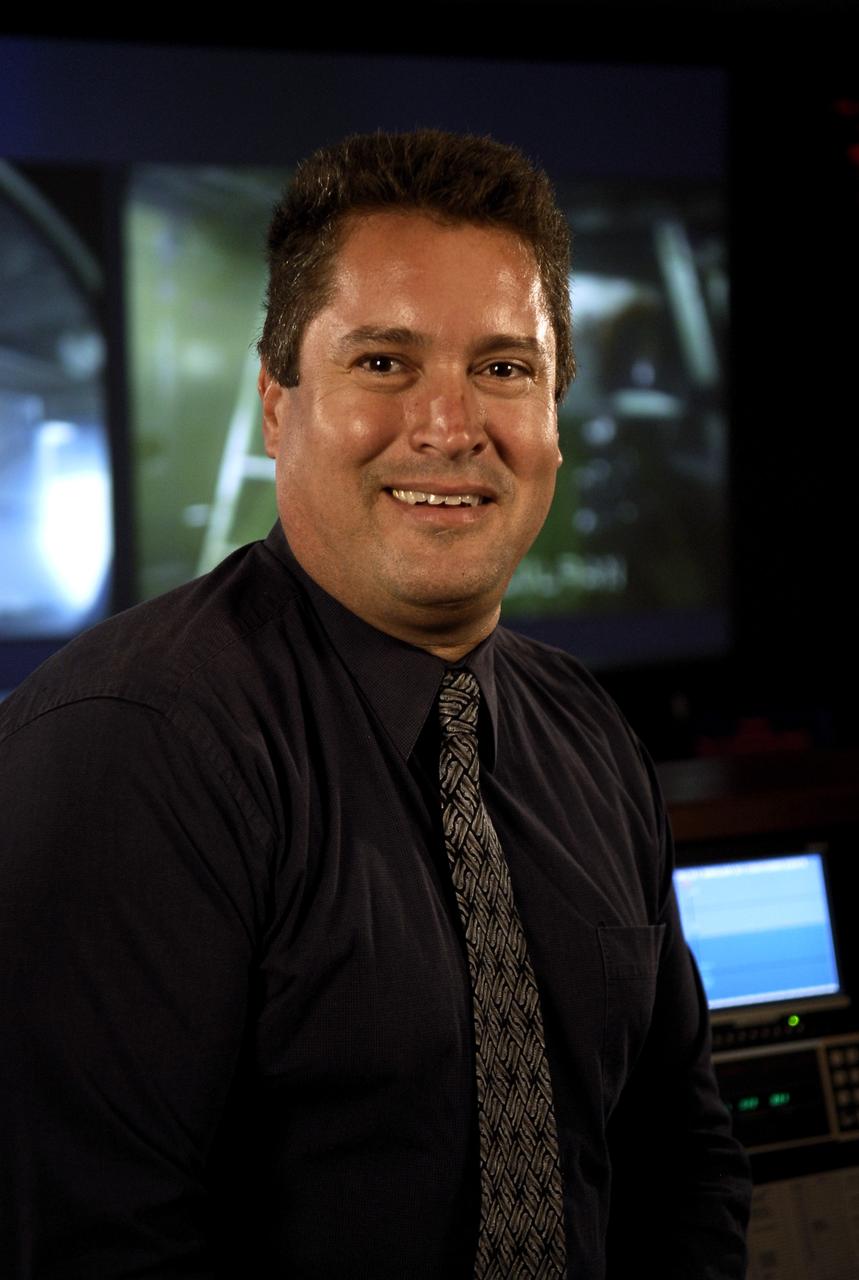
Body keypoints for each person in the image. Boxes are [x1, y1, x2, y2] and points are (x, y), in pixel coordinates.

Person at [0, 130, 750, 1279]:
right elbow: (102, 1247)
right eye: (385, 362)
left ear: (554, 415)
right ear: (275, 402)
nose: (450, 427)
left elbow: (680, 1159)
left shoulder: (590, 736)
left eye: (503, 368)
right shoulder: (126, 745)